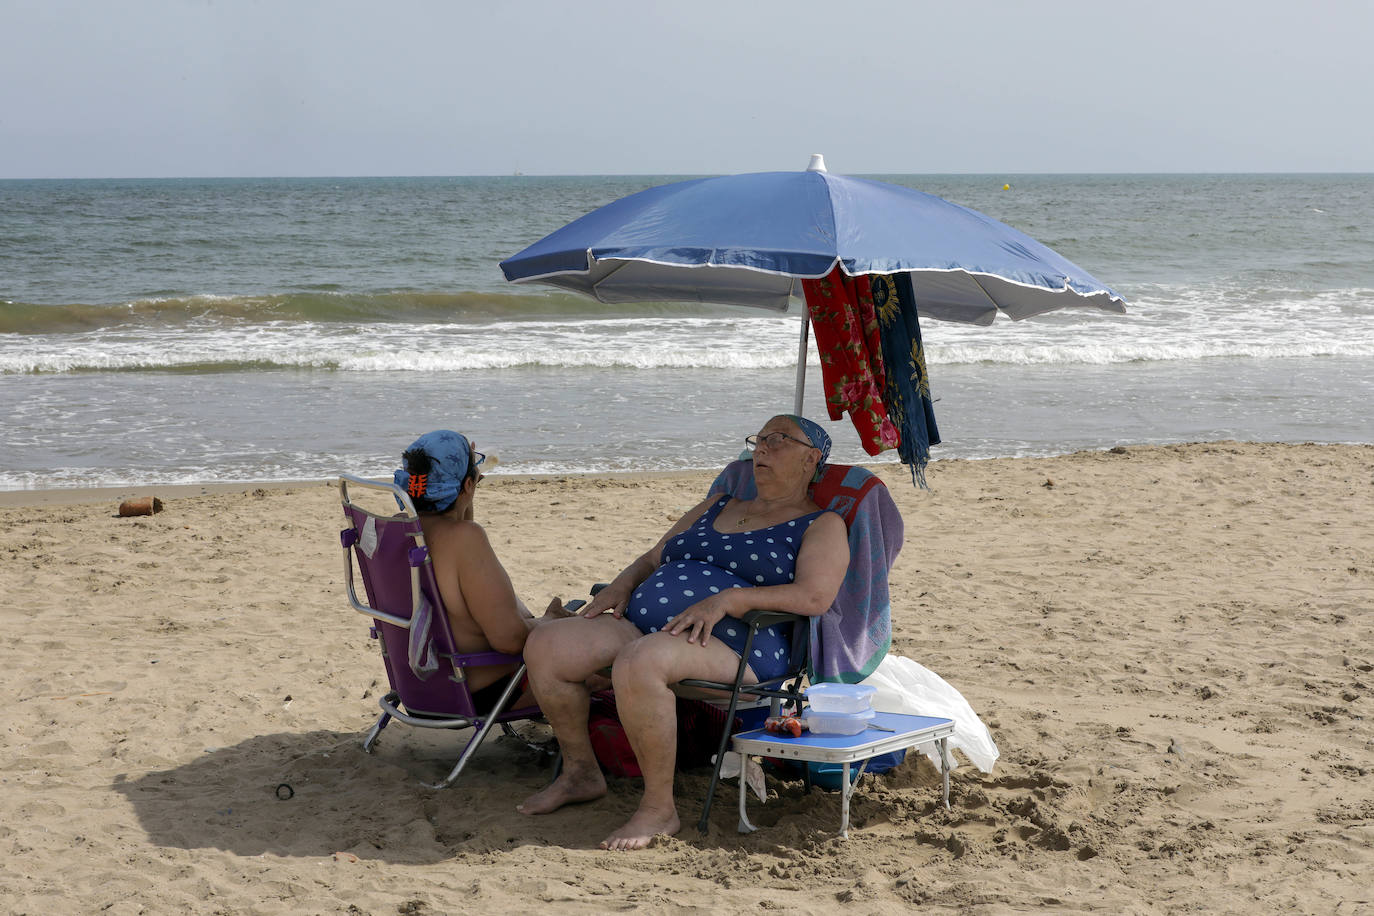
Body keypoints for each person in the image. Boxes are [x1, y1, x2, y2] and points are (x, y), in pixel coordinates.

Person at [517, 415, 851, 849]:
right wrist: (622, 584)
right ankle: (581, 772)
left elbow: (814, 597)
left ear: (811, 459)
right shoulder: (719, 503)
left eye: (779, 440)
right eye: (759, 439)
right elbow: (655, 556)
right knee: (548, 643)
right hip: (649, 626)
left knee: (641, 661)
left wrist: (732, 599)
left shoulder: (820, 524)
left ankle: (659, 809)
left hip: (740, 643)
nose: (762, 448)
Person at [394, 430, 569, 711]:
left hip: (418, 690)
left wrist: (466, 487)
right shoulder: (465, 540)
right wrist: (548, 622)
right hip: (482, 692)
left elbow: (451, 524)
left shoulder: (397, 530)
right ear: (466, 484)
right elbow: (510, 641)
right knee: (598, 664)